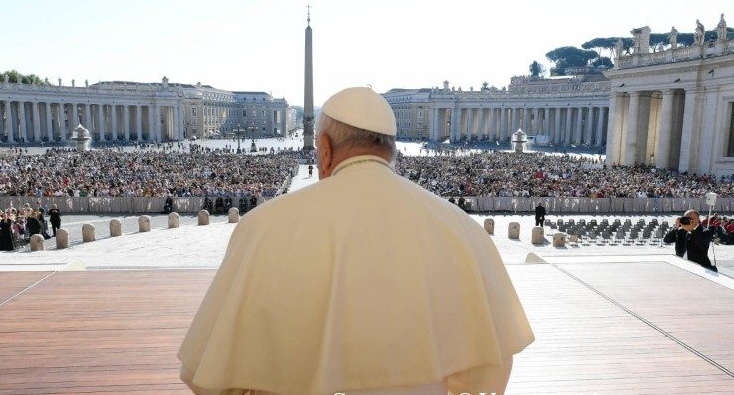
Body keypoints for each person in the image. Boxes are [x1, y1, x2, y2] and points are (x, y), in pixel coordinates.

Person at [179, 87, 534, 395]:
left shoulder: (262, 227)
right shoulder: (462, 228)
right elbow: (490, 366)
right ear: (391, 150)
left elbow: (206, 374)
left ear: (324, 149)